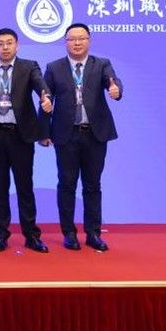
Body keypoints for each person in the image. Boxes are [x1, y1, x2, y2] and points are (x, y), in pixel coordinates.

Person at [40, 22, 124, 252]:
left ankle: (93, 233)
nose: (77, 43)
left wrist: (116, 90)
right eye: (72, 39)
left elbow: (113, 82)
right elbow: (46, 99)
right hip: (66, 135)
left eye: (81, 38)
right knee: (66, 184)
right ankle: (69, 233)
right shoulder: (54, 68)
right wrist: (43, 132)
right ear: (65, 42)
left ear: (89, 40)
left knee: (92, 184)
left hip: (95, 135)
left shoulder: (101, 64)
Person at [0, 28, 53, 253]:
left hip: (21, 136)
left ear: (17, 45)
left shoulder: (29, 67)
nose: (5, 47)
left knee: (24, 187)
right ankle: (1, 235)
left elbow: (41, 87)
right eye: (0, 43)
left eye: (9, 43)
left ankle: (31, 235)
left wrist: (46, 97)